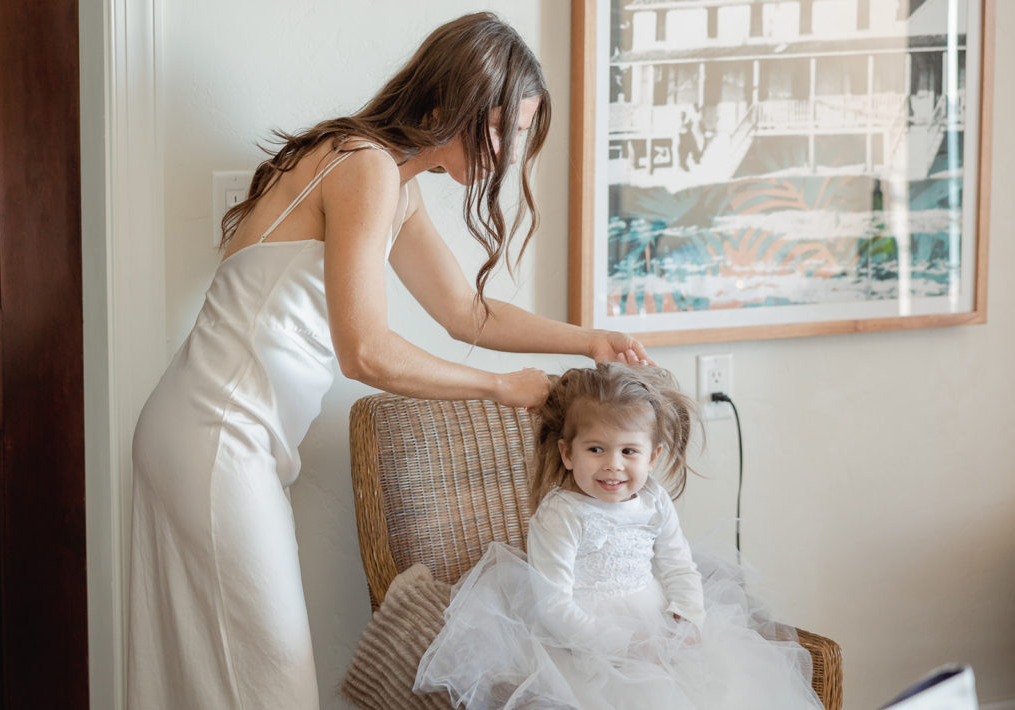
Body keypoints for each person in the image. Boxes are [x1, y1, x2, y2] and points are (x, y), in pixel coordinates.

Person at [126, 13, 653, 710]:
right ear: (457, 100)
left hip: (218, 437)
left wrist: (585, 339)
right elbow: (365, 350)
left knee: (213, 677)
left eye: (518, 133)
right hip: (216, 437)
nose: (509, 149)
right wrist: (500, 388)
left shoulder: (390, 182)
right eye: (502, 126)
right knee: (267, 679)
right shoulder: (363, 167)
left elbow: (466, 312)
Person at [415, 363, 823, 709]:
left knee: (725, 684)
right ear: (567, 454)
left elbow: (679, 564)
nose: (613, 465)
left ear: (653, 457)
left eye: (629, 451)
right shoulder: (560, 516)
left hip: (657, 619)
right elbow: (554, 606)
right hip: (586, 637)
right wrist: (623, 644)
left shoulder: (654, 501)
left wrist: (689, 617)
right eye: (596, 449)